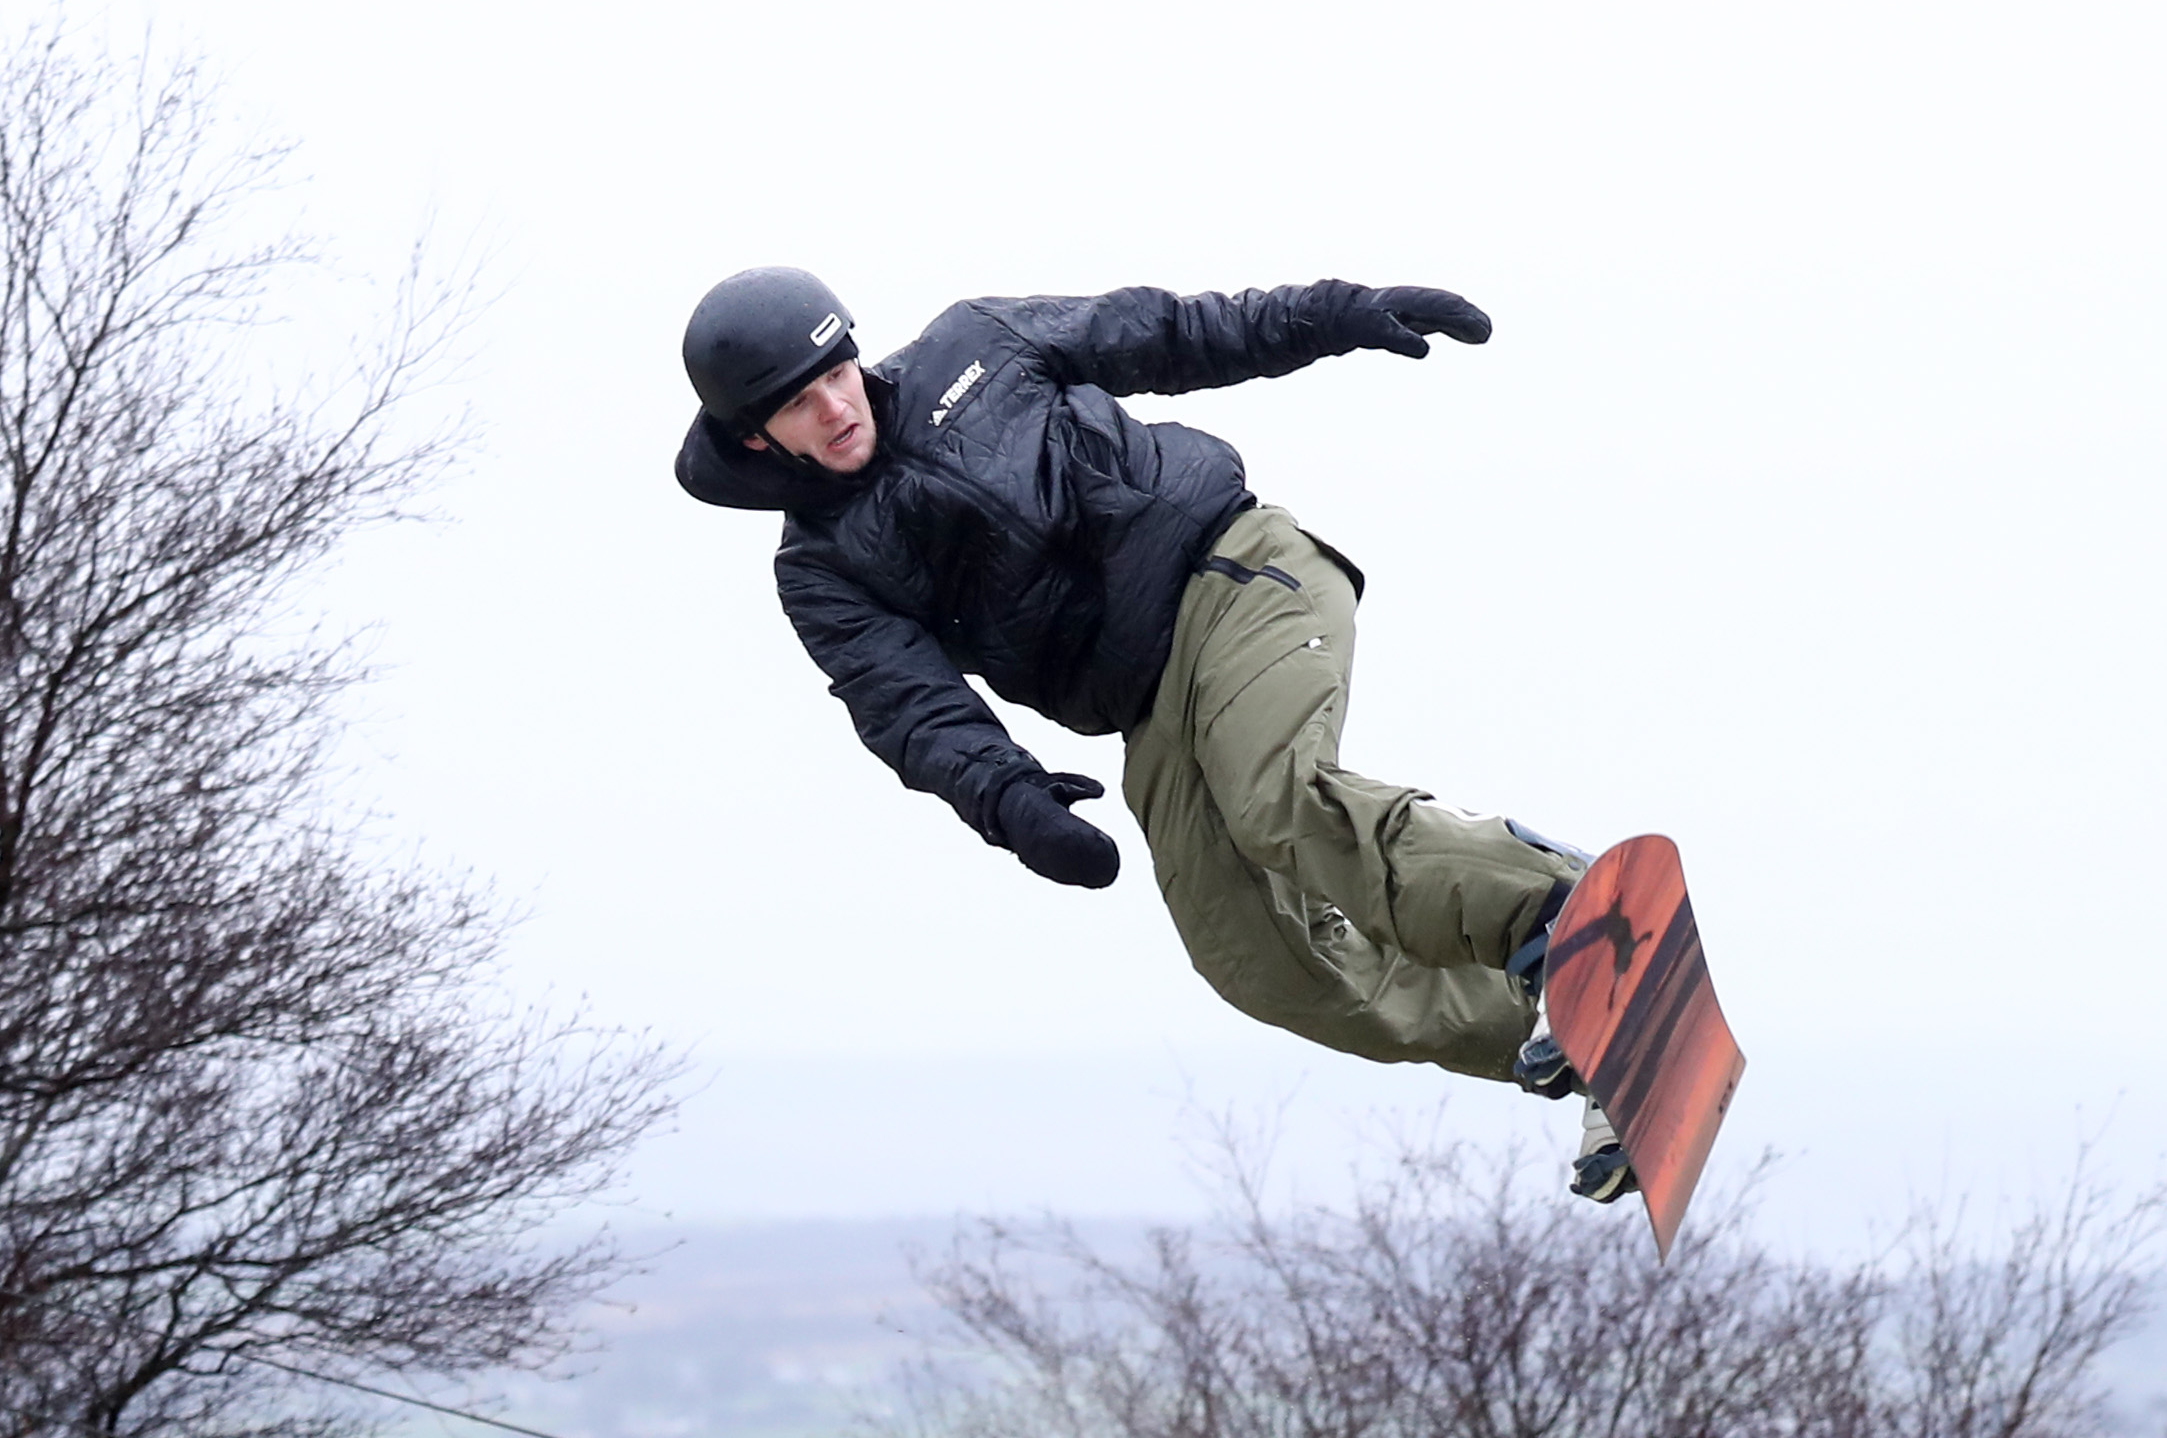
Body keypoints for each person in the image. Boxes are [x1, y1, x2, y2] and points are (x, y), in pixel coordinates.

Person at [671, 266, 1630, 1200]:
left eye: (836, 375)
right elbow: (907, 703)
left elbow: (1174, 331)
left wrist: (1342, 312)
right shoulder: (821, 568)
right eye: (799, 405)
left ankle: (1559, 914)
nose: (836, 409)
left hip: (1235, 570)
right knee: (1256, 961)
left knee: (1276, 802)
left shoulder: (976, 345)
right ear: (756, 440)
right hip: (1145, 703)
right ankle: (1581, 1038)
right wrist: (1010, 798)